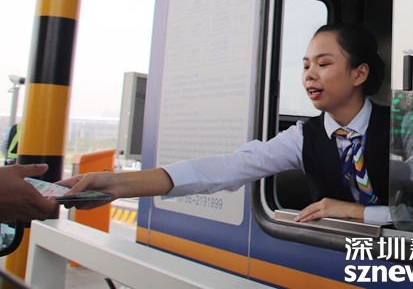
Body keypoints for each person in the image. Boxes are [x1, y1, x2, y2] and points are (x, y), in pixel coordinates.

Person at [59, 23, 392, 224]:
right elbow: (225, 168)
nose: (309, 75)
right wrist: (118, 184)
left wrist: (354, 212)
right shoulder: (304, 137)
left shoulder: (401, 129)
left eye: (323, 64)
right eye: (306, 66)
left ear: (359, 73)